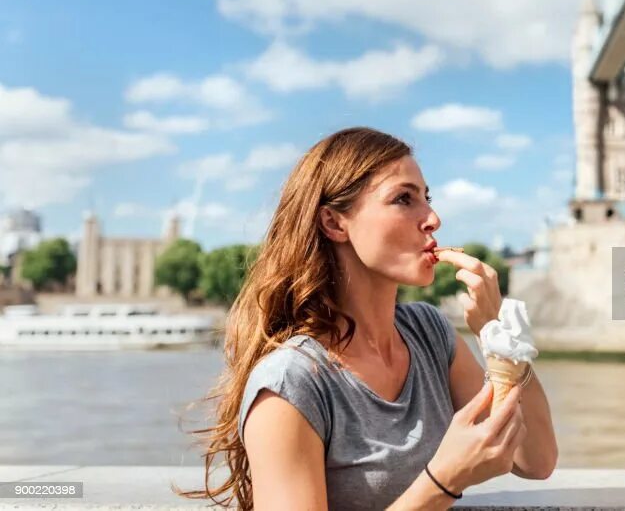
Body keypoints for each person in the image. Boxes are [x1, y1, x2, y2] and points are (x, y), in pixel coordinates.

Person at [179, 127, 558, 510]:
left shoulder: (430, 334)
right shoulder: (290, 382)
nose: (433, 219)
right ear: (334, 223)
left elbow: (535, 459)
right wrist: (443, 480)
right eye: (403, 199)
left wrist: (500, 341)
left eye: (426, 198)